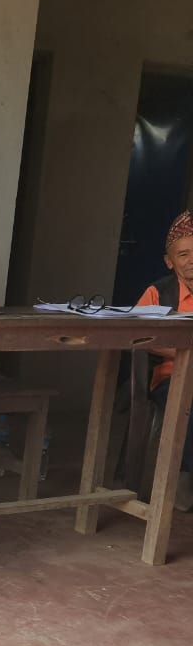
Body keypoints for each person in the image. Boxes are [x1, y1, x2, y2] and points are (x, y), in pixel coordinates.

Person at [135, 208, 193, 511]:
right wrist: (185, 353)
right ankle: (184, 478)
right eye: (183, 254)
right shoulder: (158, 293)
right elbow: (138, 337)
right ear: (170, 262)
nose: (192, 260)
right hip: (171, 378)